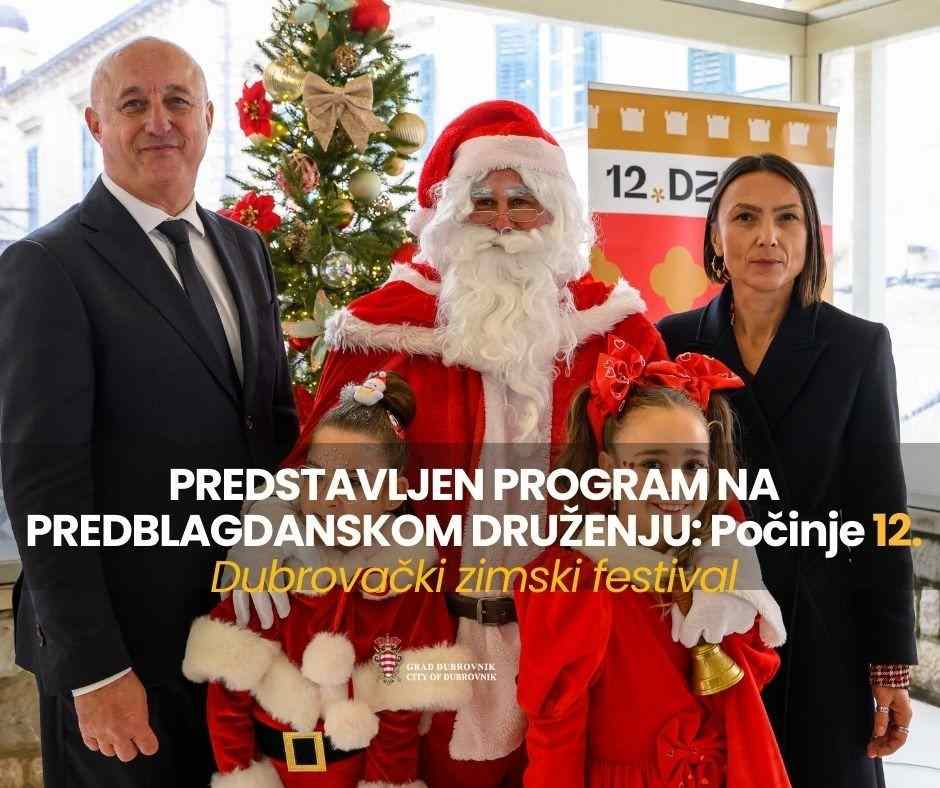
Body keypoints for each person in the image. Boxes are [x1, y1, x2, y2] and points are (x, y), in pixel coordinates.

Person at [255, 102, 777, 788]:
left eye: (523, 201)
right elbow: (317, 462)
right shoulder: (383, 333)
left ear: (554, 212)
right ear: (449, 214)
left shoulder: (616, 330)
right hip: (430, 643)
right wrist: (271, 524)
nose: (503, 221)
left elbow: (683, 455)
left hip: (585, 651)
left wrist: (723, 556)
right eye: (483, 201)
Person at [0, 37, 298, 787]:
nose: (159, 121)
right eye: (134, 104)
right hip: (125, 661)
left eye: (177, 102)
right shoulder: (48, 265)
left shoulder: (244, 249)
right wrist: (96, 671)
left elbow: (272, 428)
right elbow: (42, 486)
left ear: (207, 118)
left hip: (240, 636)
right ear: (96, 124)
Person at [657, 153, 917, 788]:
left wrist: (890, 664)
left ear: (810, 237)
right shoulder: (671, 340)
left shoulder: (858, 345)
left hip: (823, 627)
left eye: (787, 218)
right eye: (745, 217)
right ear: (715, 236)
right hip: (704, 619)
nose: (767, 236)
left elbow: (882, 507)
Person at [516, 339, 789, 788]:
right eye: (651, 465)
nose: (676, 486)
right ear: (608, 469)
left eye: (692, 466)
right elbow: (554, 743)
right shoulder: (574, 587)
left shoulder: (725, 573)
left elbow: (748, 690)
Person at [184, 371, 470, 788]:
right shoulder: (269, 569)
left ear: (393, 494)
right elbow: (227, 701)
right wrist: (241, 775)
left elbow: (400, 716)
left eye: (353, 482)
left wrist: (385, 783)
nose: (329, 497)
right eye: (317, 474)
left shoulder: (407, 585)